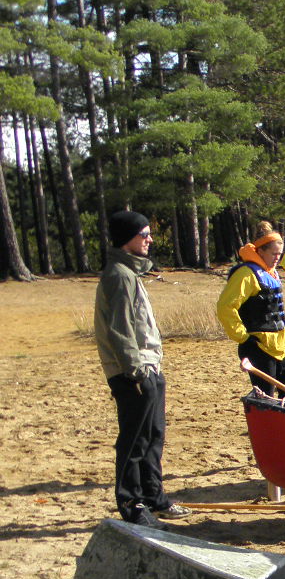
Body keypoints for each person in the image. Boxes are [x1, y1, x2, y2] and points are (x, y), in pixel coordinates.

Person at [95, 209, 188, 526]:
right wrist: (136, 373)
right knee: (134, 441)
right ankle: (132, 505)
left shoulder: (130, 273)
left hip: (149, 368)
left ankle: (154, 498)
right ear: (126, 239)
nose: (149, 239)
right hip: (134, 373)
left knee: (153, 437)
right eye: (143, 234)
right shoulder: (118, 275)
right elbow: (120, 331)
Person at [216, 221, 285, 398]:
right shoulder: (246, 274)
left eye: (280, 254)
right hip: (258, 346)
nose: (278, 258)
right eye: (273, 254)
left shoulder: (272, 273)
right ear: (260, 251)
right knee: (265, 396)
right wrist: (243, 337)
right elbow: (225, 307)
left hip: (281, 345)